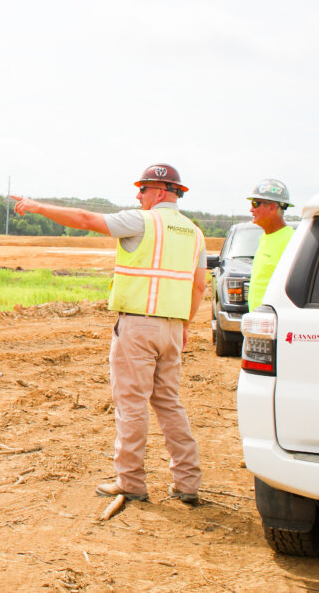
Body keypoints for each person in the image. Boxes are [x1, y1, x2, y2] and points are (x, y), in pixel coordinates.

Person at [11, 163, 207, 505]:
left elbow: (87, 220)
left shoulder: (142, 221)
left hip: (138, 326)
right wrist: (185, 325)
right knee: (170, 404)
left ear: (160, 192)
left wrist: (39, 206)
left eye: (143, 189)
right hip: (174, 328)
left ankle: (131, 482)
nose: (138, 195)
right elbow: (200, 285)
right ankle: (187, 484)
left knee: (132, 404)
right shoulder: (194, 233)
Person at [246, 178, 294, 311]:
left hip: (277, 321)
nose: (251, 210)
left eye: (255, 204)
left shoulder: (291, 241)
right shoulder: (264, 238)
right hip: (260, 321)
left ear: (272, 207)